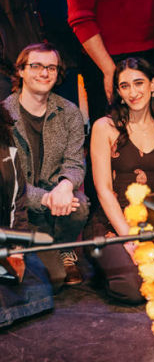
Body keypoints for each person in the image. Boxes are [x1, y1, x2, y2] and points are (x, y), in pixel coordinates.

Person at [87, 58, 154, 304]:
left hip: (152, 223)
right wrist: (128, 238)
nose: (133, 92)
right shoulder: (105, 127)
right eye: (124, 86)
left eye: (139, 83)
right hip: (114, 224)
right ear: (118, 92)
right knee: (134, 290)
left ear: (153, 84)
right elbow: (103, 190)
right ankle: (106, 264)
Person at [3, 43, 87, 287]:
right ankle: (40, 248)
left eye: (51, 67)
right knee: (55, 280)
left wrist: (65, 186)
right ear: (21, 71)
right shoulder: (3, 115)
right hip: (17, 211)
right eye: (36, 66)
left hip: (56, 207)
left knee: (79, 204)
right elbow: (7, 182)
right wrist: (45, 198)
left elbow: (75, 162)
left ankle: (63, 247)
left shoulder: (69, 112)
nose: (44, 73)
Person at [0, 103, 54, 328]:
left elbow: (18, 202)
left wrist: (17, 251)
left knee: (40, 288)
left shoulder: (5, 145)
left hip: (4, 240)